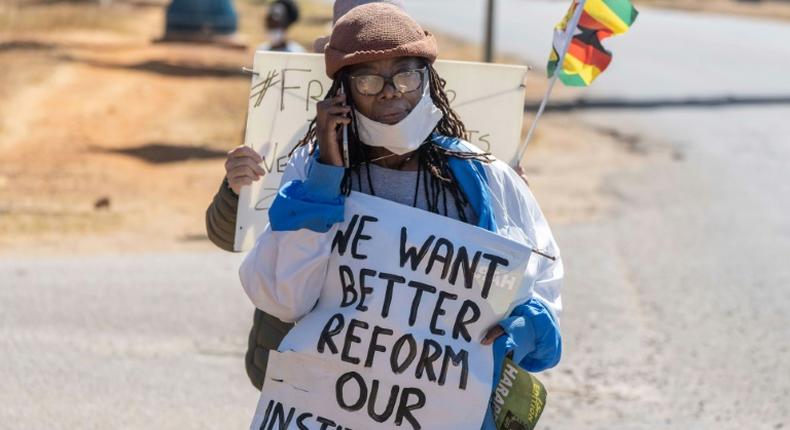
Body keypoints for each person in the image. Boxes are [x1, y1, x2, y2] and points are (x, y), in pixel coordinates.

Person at [238, 4, 562, 428]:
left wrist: (527, 323)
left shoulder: (483, 176)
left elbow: (541, 288)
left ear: (429, 81)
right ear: (343, 93)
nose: (390, 91)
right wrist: (325, 178)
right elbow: (284, 299)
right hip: (334, 410)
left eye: (406, 75)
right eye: (369, 79)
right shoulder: (311, 172)